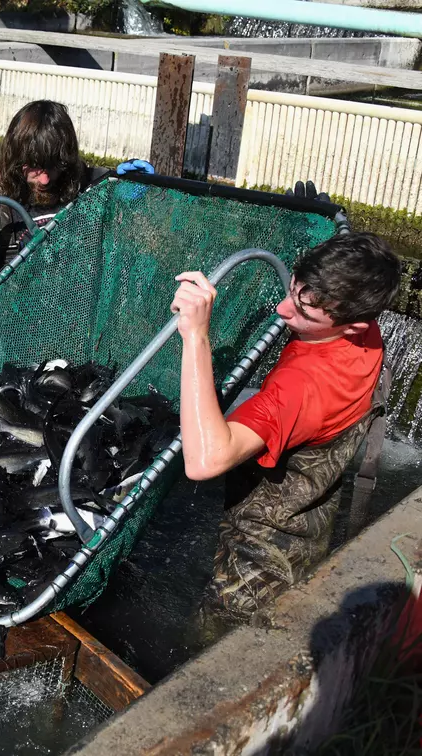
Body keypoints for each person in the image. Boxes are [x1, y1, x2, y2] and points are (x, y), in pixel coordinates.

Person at [169, 231, 401, 632]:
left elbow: (206, 461)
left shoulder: (303, 387)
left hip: (256, 566)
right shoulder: (363, 326)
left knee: (209, 650)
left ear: (352, 325)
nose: (282, 309)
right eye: (293, 291)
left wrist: (196, 336)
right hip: (310, 527)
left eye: (304, 313)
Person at [0, 101, 151, 305]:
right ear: (15, 160)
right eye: (35, 167)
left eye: (54, 165)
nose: (45, 179)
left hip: (90, 346)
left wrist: (146, 198)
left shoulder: (97, 188)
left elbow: (147, 246)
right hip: (22, 349)